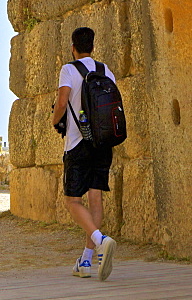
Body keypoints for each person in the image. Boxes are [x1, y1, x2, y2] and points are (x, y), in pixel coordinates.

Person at [51, 26, 118, 281]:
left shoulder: (69, 69)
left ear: (73, 47)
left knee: (72, 201)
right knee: (95, 200)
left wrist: (55, 119)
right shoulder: (104, 70)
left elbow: (62, 99)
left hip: (78, 142)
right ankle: (86, 261)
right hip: (102, 143)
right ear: (93, 45)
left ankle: (101, 240)